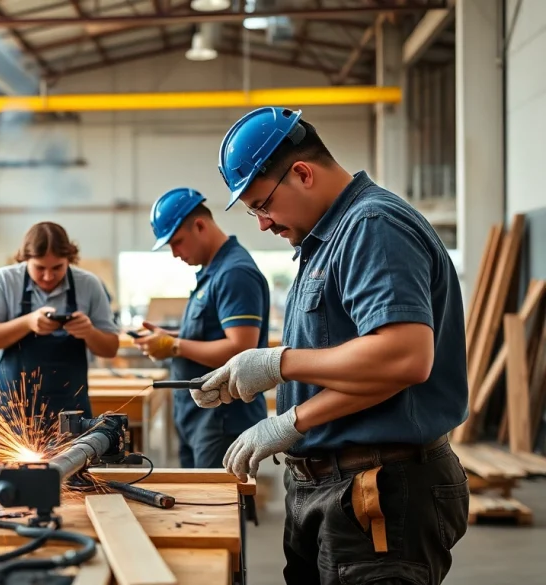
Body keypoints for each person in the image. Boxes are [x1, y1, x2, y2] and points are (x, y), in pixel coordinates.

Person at [197, 107, 468, 584]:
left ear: (301, 173)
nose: (262, 223)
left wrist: (280, 366)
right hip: (331, 489)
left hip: (378, 490)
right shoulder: (324, 240)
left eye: (262, 205)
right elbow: (367, 369)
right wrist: (286, 412)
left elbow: (404, 357)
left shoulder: (372, 226)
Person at [133, 187, 270, 469]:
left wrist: (174, 346)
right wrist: (167, 338)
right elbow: (209, 335)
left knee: (214, 508)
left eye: (177, 242)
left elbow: (241, 349)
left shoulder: (234, 273)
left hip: (222, 419)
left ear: (200, 225)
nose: (174, 253)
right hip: (199, 416)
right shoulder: (213, 272)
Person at [0, 222, 119, 424]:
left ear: (69, 259)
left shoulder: (89, 284)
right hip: (13, 416)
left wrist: (89, 332)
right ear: (25, 259)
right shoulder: (4, 281)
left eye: (57, 267)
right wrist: (27, 323)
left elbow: (111, 348)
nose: (48, 276)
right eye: (40, 268)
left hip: (72, 415)